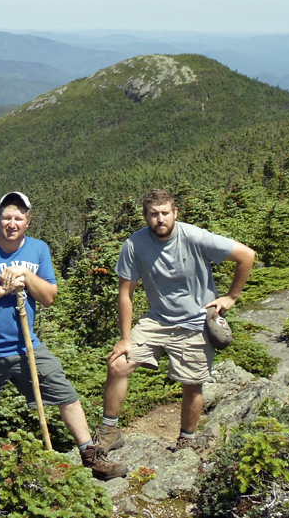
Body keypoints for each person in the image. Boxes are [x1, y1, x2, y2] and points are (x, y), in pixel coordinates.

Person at [0, 191, 126, 490]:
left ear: (28, 221)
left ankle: (89, 453)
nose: (12, 223)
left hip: (26, 346)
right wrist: (3, 289)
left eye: (18, 218)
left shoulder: (38, 250)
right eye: (7, 217)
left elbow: (48, 298)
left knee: (65, 393)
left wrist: (23, 274)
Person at [93, 189, 256, 452]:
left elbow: (246, 256)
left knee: (192, 384)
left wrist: (231, 297)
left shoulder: (194, 236)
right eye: (154, 214)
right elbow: (126, 294)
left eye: (165, 213)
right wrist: (125, 339)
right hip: (158, 320)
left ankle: (186, 441)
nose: (160, 219)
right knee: (118, 365)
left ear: (175, 213)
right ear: (145, 216)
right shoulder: (134, 245)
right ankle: (110, 430)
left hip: (195, 322)